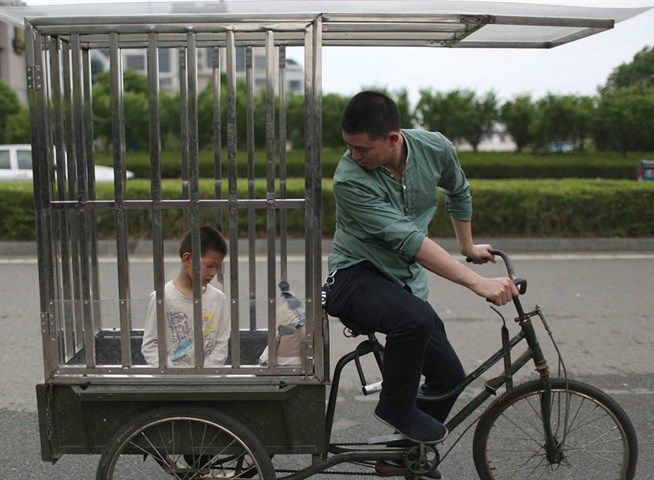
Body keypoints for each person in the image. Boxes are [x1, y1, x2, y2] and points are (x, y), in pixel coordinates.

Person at [325, 91, 518, 476]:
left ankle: (404, 456)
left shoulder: (435, 148)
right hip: (353, 277)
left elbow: (458, 190)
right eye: (348, 146)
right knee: (414, 319)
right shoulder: (349, 179)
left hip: (402, 284)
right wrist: (477, 283)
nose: (353, 155)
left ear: (393, 138)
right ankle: (396, 407)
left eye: (362, 148)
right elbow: (411, 242)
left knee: (449, 376)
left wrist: (466, 246)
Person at [142, 226, 230, 367]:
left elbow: (221, 343)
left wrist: (204, 371)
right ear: (188, 259)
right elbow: (150, 345)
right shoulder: (161, 297)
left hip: (207, 380)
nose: (213, 273)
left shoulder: (218, 298)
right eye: (210, 266)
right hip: (172, 382)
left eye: (217, 267)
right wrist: (174, 373)